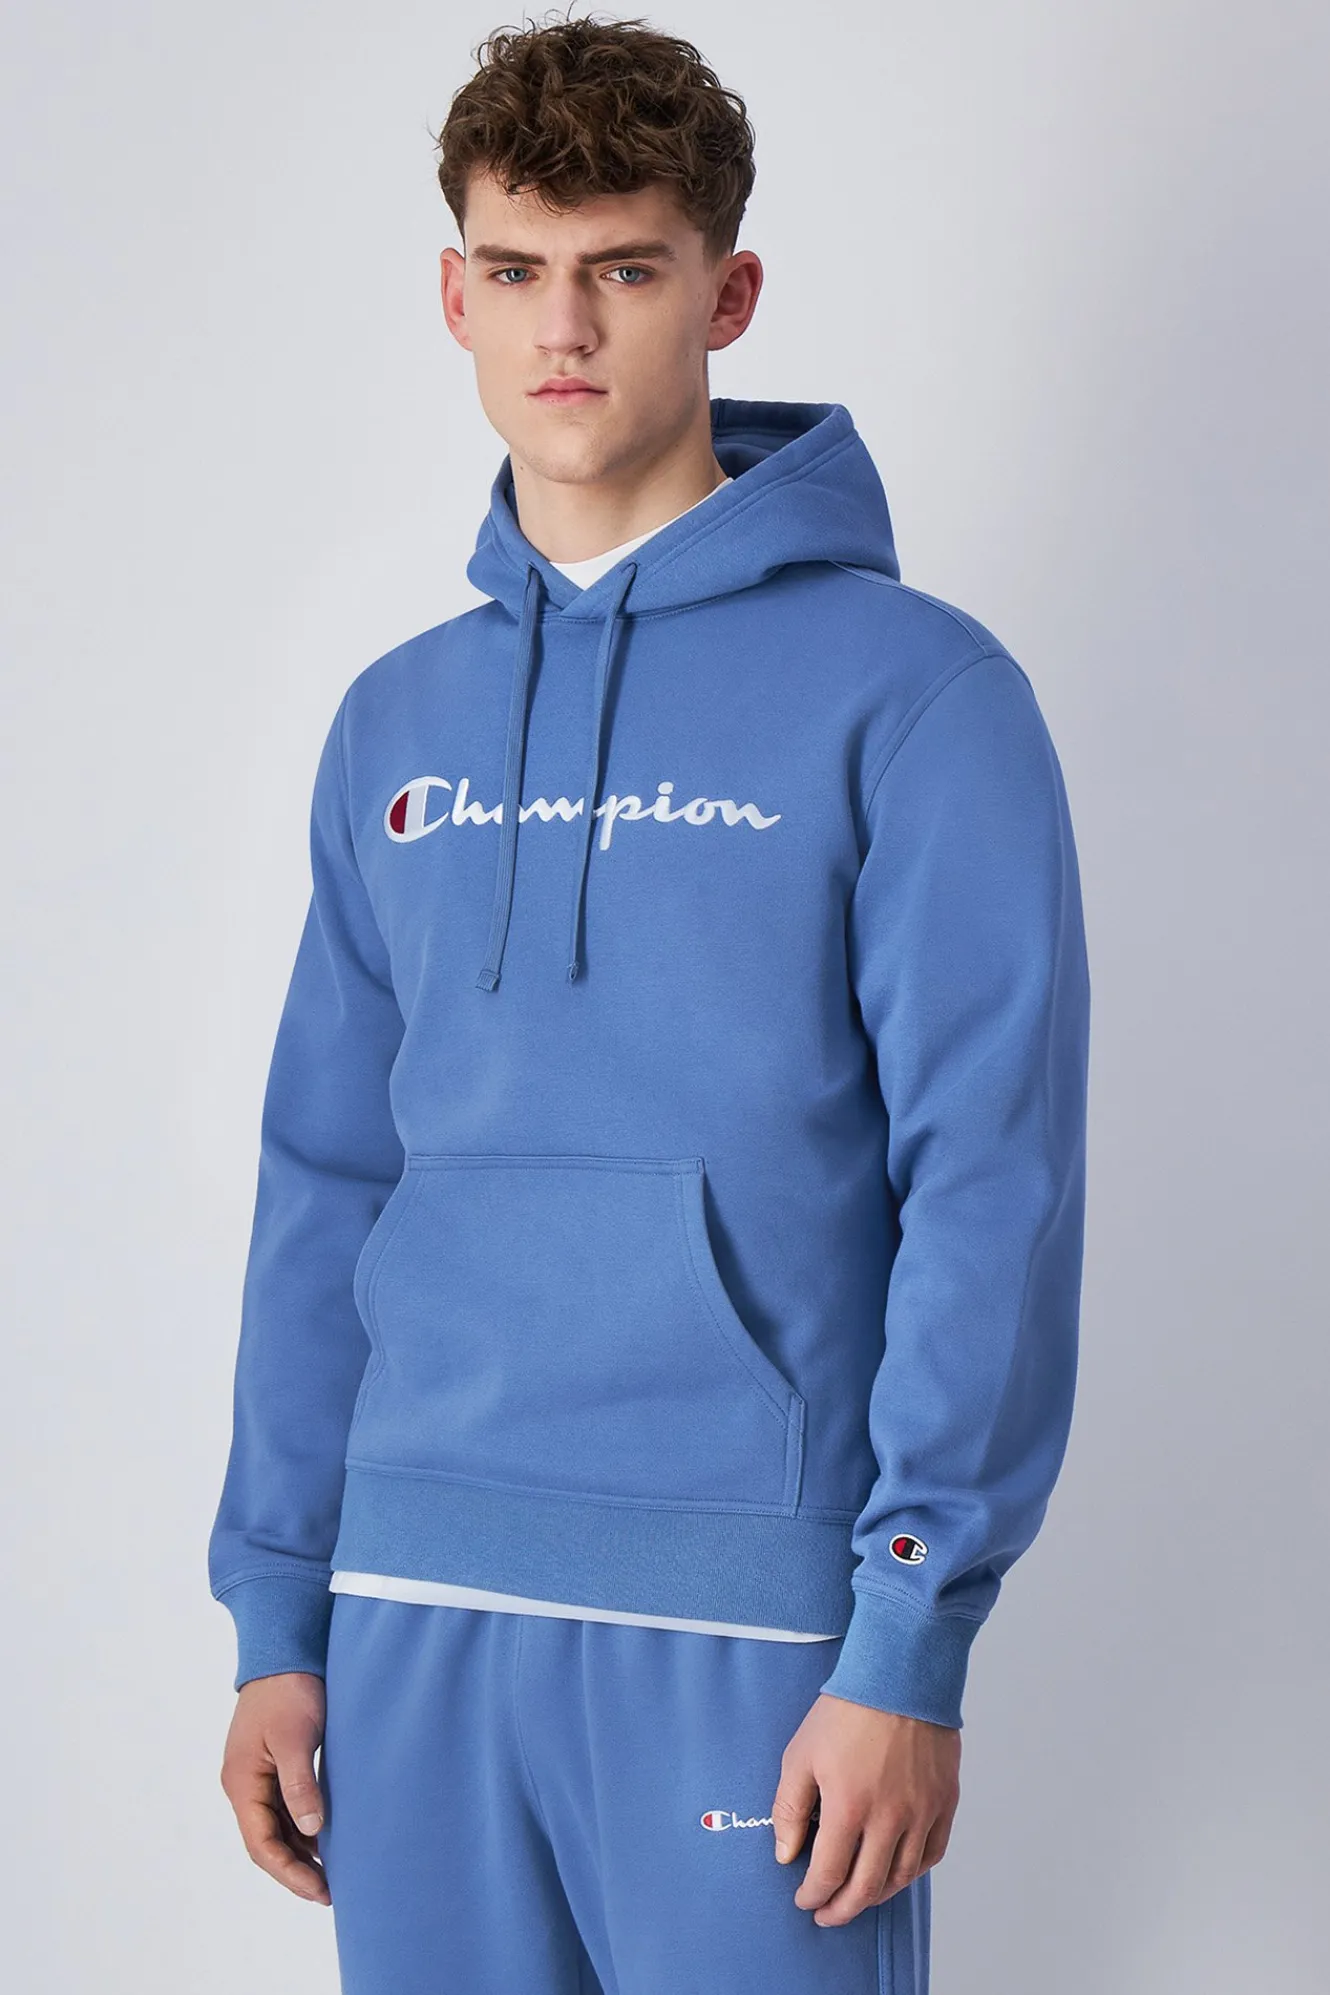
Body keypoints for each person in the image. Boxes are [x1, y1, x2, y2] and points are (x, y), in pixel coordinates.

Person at [209, 15, 1091, 1994]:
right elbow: (325, 1179)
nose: (564, 326)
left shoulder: (915, 696)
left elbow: (989, 1185)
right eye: (516, 268)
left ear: (725, 292)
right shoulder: (395, 724)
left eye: (623, 268)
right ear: (453, 294)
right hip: (408, 1604)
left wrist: (905, 1636)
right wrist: (277, 1608)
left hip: (750, 1625)